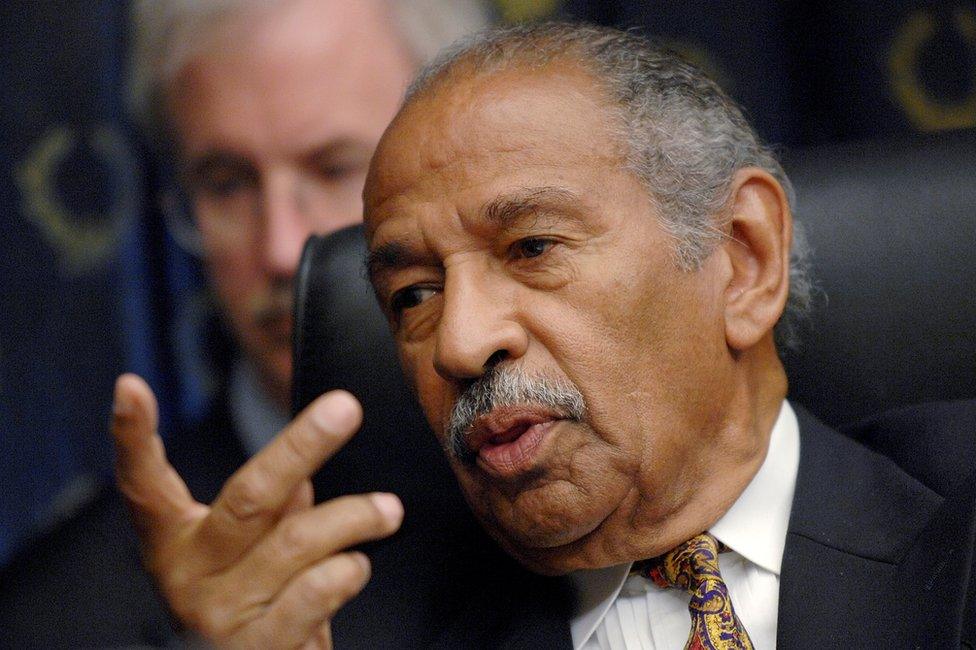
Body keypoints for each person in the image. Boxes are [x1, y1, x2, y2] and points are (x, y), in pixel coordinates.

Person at [111, 21, 976, 649]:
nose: (458, 342)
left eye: (531, 247)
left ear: (742, 260)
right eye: (412, 295)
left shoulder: (957, 528)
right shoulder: (341, 627)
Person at [0, 1, 516, 648]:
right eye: (226, 184)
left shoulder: (616, 495)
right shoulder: (61, 617)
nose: (281, 248)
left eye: (334, 169)